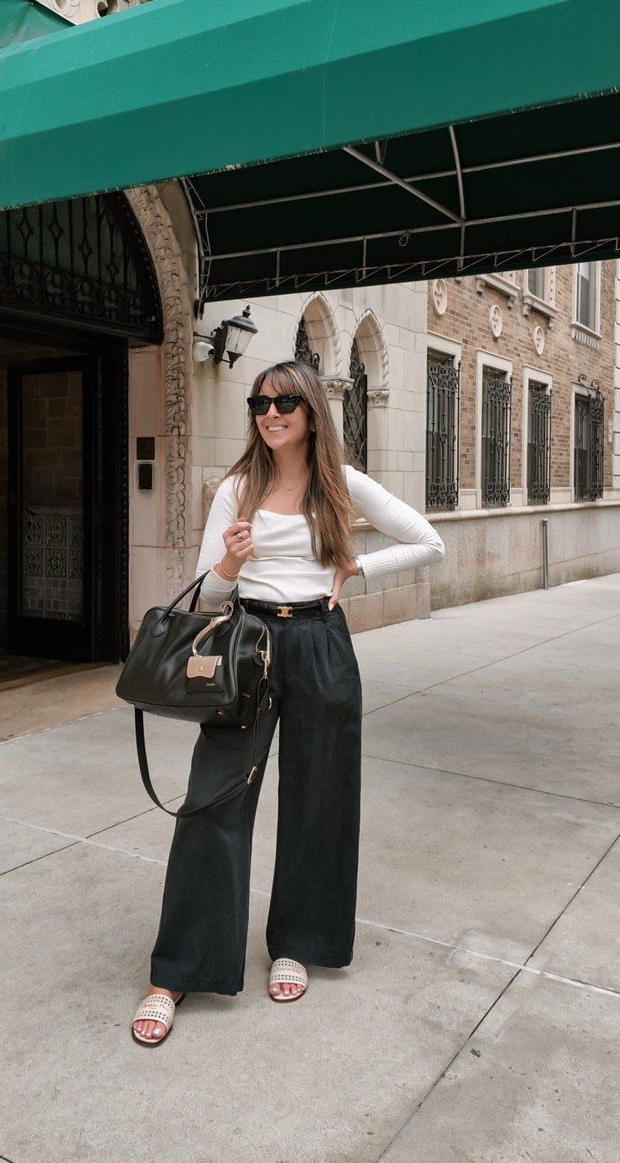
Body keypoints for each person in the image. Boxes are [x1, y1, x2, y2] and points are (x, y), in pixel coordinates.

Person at [132, 359, 444, 1045]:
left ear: (310, 411)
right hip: (246, 646)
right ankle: (178, 968)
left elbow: (429, 542)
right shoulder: (236, 488)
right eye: (259, 404)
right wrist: (230, 564)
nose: (269, 414)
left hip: (320, 643)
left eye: (283, 403)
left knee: (319, 799)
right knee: (213, 798)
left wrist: (357, 566)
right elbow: (207, 596)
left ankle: (299, 940)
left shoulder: (341, 485)